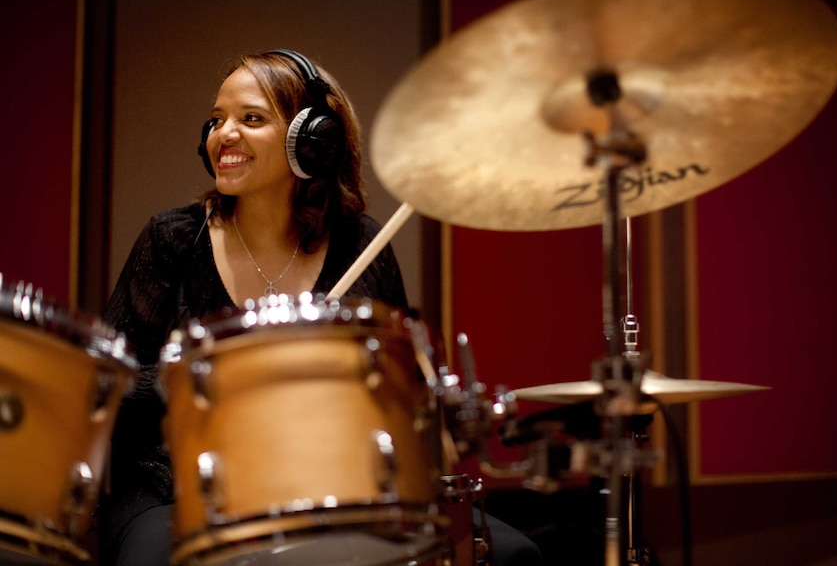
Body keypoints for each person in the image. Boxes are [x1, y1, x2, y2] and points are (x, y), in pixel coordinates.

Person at [98, 49, 543, 566]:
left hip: (330, 488)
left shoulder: (360, 244)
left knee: (513, 553)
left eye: (251, 119)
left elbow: (404, 391)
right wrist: (210, 381)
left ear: (312, 141)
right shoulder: (173, 239)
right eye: (216, 120)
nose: (223, 135)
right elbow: (108, 382)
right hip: (172, 486)